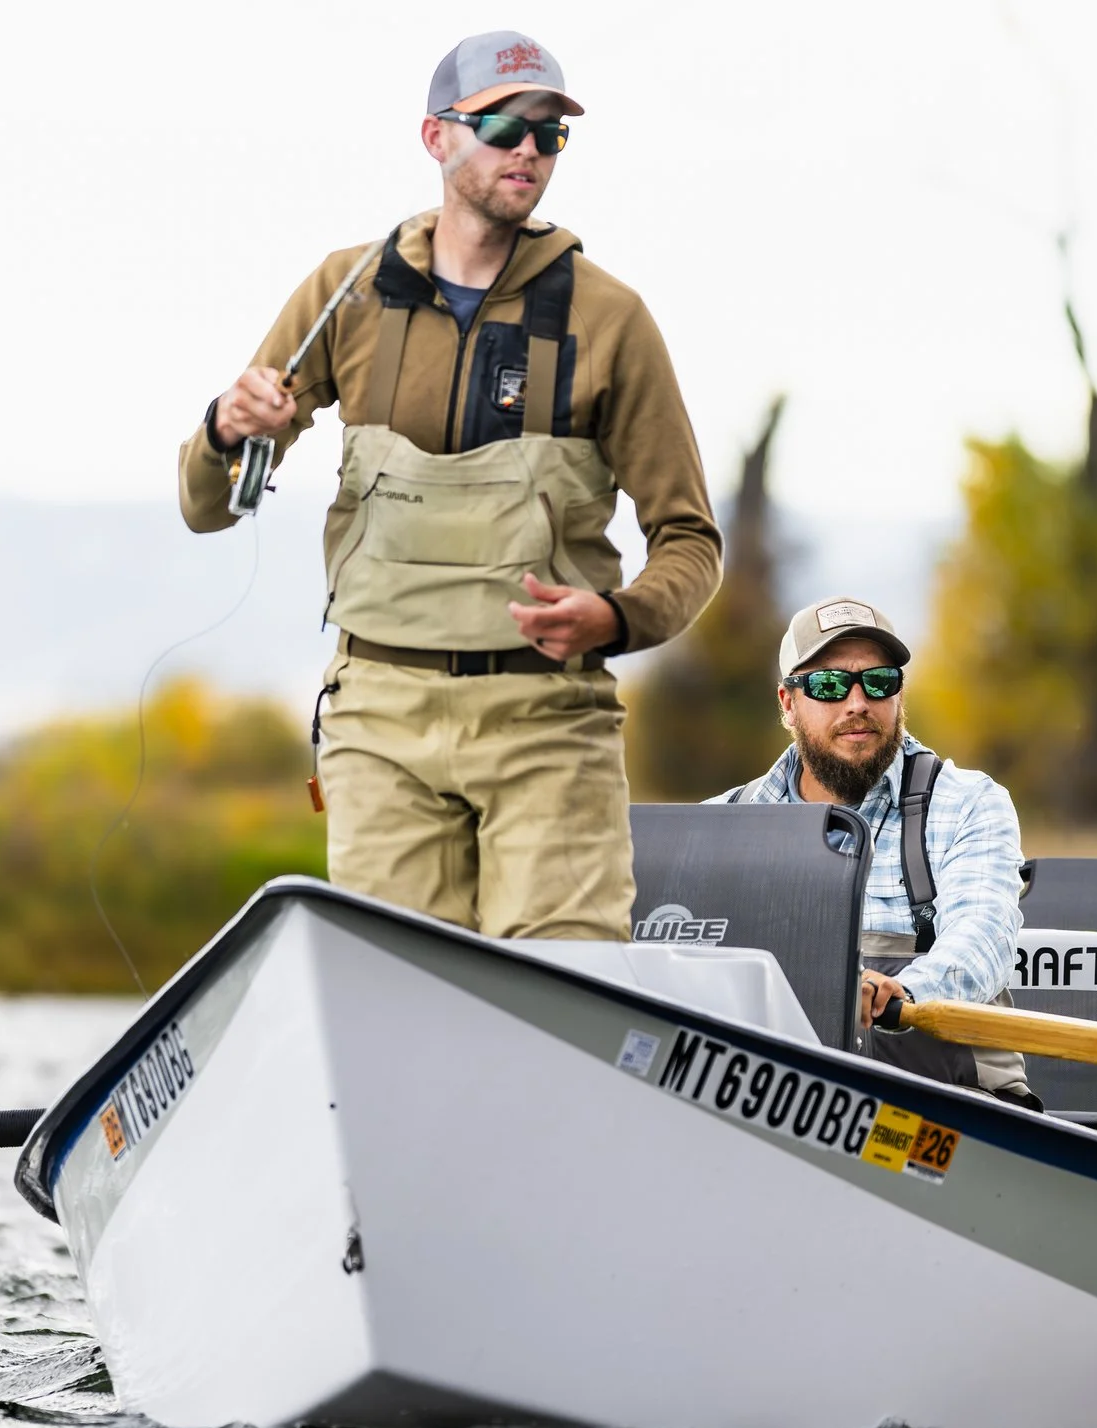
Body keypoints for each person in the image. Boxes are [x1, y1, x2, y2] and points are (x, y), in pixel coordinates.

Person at [178, 31, 720, 940]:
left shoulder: (612, 318)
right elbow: (204, 506)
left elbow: (691, 542)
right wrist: (227, 429)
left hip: (550, 721)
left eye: (550, 135)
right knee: (398, 1002)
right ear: (436, 138)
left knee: (564, 1001)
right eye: (505, 125)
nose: (528, 151)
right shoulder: (345, 292)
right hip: (377, 720)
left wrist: (618, 619)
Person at [715, 597, 1038, 1106]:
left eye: (880, 682)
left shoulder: (970, 803)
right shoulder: (722, 821)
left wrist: (902, 995)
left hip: (956, 1119)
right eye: (829, 685)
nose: (858, 702)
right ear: (787, 702)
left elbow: (984, 937)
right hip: (779, 1110)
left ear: (899, 693)